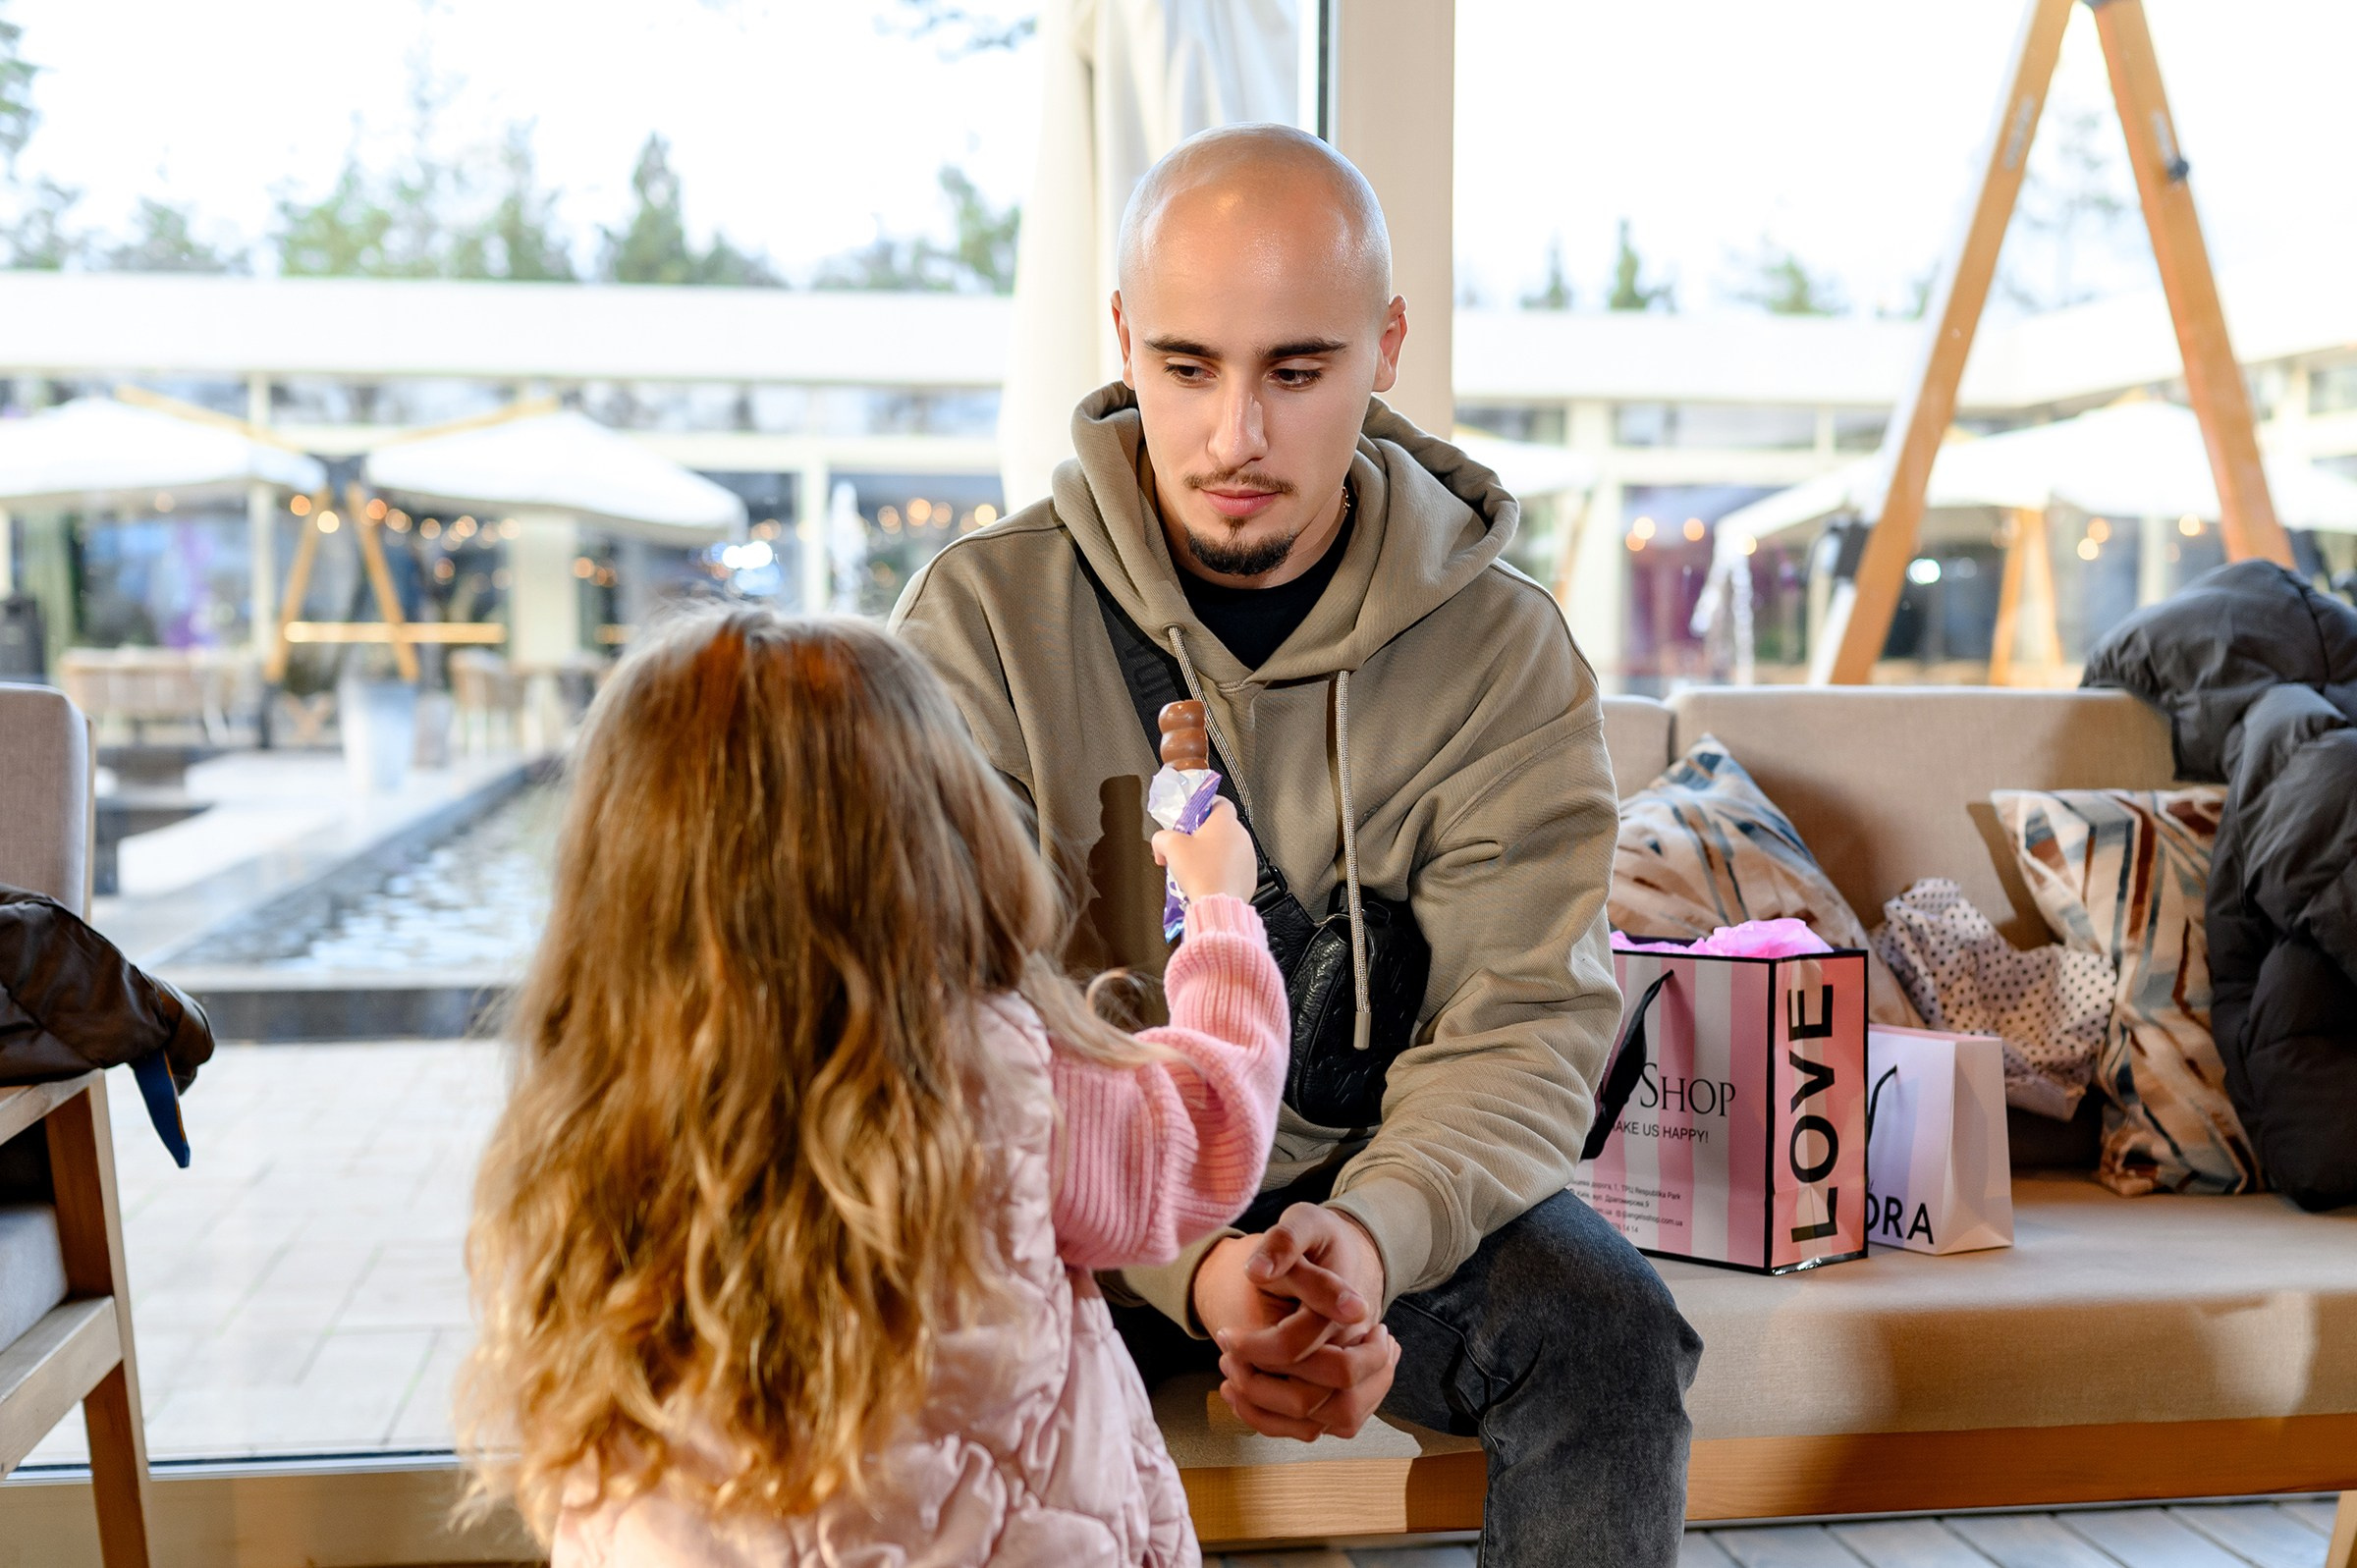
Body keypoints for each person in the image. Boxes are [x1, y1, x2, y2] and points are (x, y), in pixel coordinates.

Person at [894, 123, 1702, 1563]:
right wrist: (1201, 1263)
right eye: (1187, 367)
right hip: (1081, 1181)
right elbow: (962, 1043)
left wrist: (1372, 1243)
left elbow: (1521, 1026)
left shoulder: (1506, 654)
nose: (1235, 439)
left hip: (1376, 1177)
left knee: (1609, 1341)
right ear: (1124, 340)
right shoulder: (977, 625)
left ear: (1386, 348)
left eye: (1296, 371)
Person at [458, 608, 1292, 1568]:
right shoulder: (996, 1076)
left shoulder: (598, 1109)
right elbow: (1212, 1123)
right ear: (942, 829)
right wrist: (1219, 904)